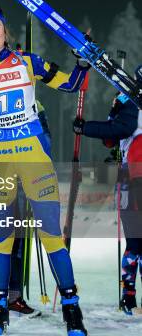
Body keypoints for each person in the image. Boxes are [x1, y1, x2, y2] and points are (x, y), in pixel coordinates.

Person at [0, 0, 90, 335]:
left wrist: (83, 63)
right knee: (2, 240)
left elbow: (70, 84)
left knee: (51, 237)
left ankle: (73, 311)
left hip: (34, 159)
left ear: (4, 30)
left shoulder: (28, 62)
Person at [72, 64, 142, 315]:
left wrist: (86, 127)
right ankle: (129, 297)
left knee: (136, 243)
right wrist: (112, 114)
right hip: (131, 178)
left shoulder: (131, 100)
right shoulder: (129, 99)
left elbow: (118, 131)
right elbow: (112, 138)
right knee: (135, 242)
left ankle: (129, 297)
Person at [0, 100, 50, 317]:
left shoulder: (32, 102)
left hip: (27, 169)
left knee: (17, 236)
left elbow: (45, 139)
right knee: (8, 236)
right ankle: (7, 295)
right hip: (1, 172)